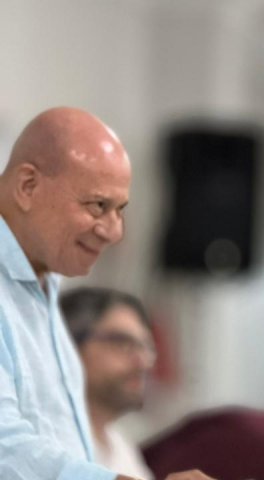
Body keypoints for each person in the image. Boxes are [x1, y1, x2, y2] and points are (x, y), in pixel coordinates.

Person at [0, 107, 215, 480]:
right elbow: (6, 449)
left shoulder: (44, 280)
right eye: (98, 206)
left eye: (120, 210)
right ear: (28, 186)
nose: (114, 232)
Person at [60, 287, 158, 479]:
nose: (143, 362)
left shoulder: (121, 447)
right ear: (67, 345)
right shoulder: (40, 443)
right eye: (122, 343)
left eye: (146, 347)